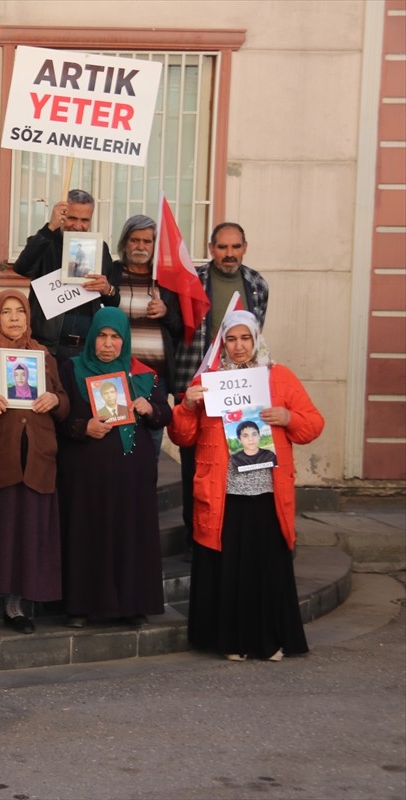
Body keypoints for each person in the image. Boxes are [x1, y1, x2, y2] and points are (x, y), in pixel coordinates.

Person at [169, 310, 323, 661]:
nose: (239, 347)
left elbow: (313, 424)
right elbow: (182, 436)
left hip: (267, 491)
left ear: (256, 341)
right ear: (223, 343)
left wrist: (287, 417)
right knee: (228, 571)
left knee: (266, 570)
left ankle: (269, 639)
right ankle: (231, 641)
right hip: (222, 494)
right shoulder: (208, 380)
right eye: (232, 339)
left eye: (246, 338)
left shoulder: (278, 377)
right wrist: (187, 407)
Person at [0, 291, 68, 634]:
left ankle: (15, 606)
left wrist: (54, 399)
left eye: (21, 311)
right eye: (7, 312)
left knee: (25, 533)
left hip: (36, 458)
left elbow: (64, 401)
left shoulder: (43, 355)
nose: (15, 318)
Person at [57, 307, 170, 628]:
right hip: (86, 477)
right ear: (92, 337)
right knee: (86, 536)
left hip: (132, 478)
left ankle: (132, 605)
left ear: (125, 340)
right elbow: (59, 418)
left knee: (129, 536)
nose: (108, 344)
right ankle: (80, 606)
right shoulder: (72, 369)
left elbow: (166, 414)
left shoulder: (143, 374)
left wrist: (150, 409)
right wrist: (83, 427)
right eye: (102, 336)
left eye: (115, 337)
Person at [172, 222, 270, 555]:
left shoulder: (257, 284)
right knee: (196, 467)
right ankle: (194, 539)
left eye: (235, 247)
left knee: (239, 462)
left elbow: (254, 334)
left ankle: (235, 534)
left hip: (239, 386)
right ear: (211, 247)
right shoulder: (193, 281)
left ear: (245, 247)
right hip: (197, 384)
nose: (229, 254)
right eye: (222, 247)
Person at [11, 189, 119, 361]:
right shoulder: (43, 241)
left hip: (85, 350)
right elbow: (22, 268)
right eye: (72, 218)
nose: (77, 225)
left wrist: (108, 289)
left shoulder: (99, 248)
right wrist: (50, 227)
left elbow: (113, 301)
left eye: (84, 220)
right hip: (48, 348)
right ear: (61, 215)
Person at [112, 214, 182, 384]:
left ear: (155, 245)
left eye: (147, 241)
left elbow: (179, 328)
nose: (141, 246)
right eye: (135, 240)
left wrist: (165, 312)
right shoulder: (112, 273)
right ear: (124, 243)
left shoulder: (164, 279)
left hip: (157, 375)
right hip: (118, 371)